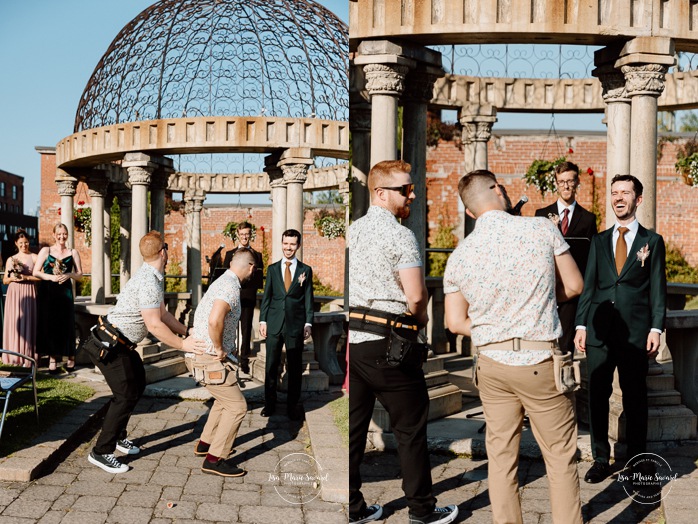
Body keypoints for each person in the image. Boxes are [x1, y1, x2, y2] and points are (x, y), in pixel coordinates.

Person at [444, 169, 584, 524]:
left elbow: (454, 322)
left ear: (471, 212)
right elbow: (574, 284)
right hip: (539, 359)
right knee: (559, 456)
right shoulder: (540, 228)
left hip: (491, 363)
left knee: (502, 458)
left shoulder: (459, 255)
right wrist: (540, 305)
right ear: (498, 190)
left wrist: (496, 327)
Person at [348, 160, 458, 524]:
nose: (412, 193)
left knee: (355, 429)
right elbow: (415, 297)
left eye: (411, 187)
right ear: (380, 193)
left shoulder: (354, 230)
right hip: (391, 343)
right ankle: (422, 512)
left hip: (357, 341)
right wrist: (422, 322)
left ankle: (353, 509)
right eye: (404, 189)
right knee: (410, 429)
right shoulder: (400, 235)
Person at [82, 231, 205, 474]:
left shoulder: (153, 276)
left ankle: (118, 436)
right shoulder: (149, 281)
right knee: (125, 395)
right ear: (163, 252)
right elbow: (154, 325)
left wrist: (186, 331)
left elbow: (164, 315)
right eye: (167, 248)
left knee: (137, 384)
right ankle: (101, 452)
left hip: (122, 344)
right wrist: (183, 346)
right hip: (110, 345)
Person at [574, 174, 667, 483]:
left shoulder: (651, 242)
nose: (618, 197)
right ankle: (600, 459)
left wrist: (656, 328)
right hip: (599, 331)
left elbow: (657, 289)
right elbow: (589, 286)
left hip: (635, 333)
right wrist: (580, 323)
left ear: (637, 199)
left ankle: (639, 461)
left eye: (625, 192)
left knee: (635, 397)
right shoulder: (599, 240)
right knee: (597, 396)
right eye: (614, 192)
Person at [191, 249, 256, 477]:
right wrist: (219, 347)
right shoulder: (229, 286)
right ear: (250, 267)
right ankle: (215, 459)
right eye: (254, 268)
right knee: (238, 407)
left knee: (223, 400)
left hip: (207, 356)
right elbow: (214, 319)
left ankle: (206, 444)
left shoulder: (223, 281)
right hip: (210, 357)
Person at [535, 161, 597, 354]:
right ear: (556, 183)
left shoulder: (588, 219)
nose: (566, 186)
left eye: (570, 181)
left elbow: (591, 259)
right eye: (562, 181)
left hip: (572, 293)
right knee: (543, 345)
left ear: (577, 182)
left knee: (565, 347)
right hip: (547, 291)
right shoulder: (542, 215)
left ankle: (564, 381)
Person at [258, 229, 314, 420]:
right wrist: (263, 320)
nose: (288, 247)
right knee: (271, 365)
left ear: (298, 245)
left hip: (295, 326)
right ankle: (269, 404)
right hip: (274, 324)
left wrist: (308, 323)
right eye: (285, 243)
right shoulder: (272, 269)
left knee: (295, 367)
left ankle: (292, 406)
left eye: (292, 244)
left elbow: (308, 299)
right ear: (281, 244)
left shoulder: (305, 271)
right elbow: (267, 297)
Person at [212, 222, 264, 374]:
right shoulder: (229, 254)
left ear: (250, 235)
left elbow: (258, 278)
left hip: (248, 298)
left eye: (247, 234)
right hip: (232, 298)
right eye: (242, 234)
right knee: (229, 328)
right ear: (238, 235)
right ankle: (229, 356)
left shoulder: (257, 255)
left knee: (246, 330)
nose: (244, 237)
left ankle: (244, 360)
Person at [33, 223, 83, 373]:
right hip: (48, 292)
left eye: (65, 234)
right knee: (50, 324)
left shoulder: (73, 252)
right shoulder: (46, 250)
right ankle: (53, 359)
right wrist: (50, 277)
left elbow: (80, 275)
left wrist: (69, 274)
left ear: (67, 235)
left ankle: (71, 358)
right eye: (59, 234)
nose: (62, 237)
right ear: (54, 235)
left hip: (65, 292)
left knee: (66, 324)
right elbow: (36, 272)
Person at [2, 230, 40, 367]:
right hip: (14, 294)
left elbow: (40, 277)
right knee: (15, 323)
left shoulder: (35, 257)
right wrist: (12, 278)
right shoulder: (11, 259)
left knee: (28, 321)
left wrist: (26, 277)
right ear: (16, 244)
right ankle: (14, 357)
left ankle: (28, 357)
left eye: (26, 242)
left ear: (29, 242)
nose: (24, 245)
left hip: (28, 291)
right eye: (21, 243)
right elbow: (5, 280)